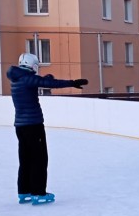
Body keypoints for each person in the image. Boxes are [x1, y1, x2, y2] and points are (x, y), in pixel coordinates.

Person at [6, 53, 88, 205]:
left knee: (25, 159)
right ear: (33, 65)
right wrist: (72, 83)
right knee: (39, 159)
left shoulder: (17, 78)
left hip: (20, 126)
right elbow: (48, 83)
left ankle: (24, 191)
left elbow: (41, 81)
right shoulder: (27, 79)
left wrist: (47, 78)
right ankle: (38, 193)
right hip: (33, 126)